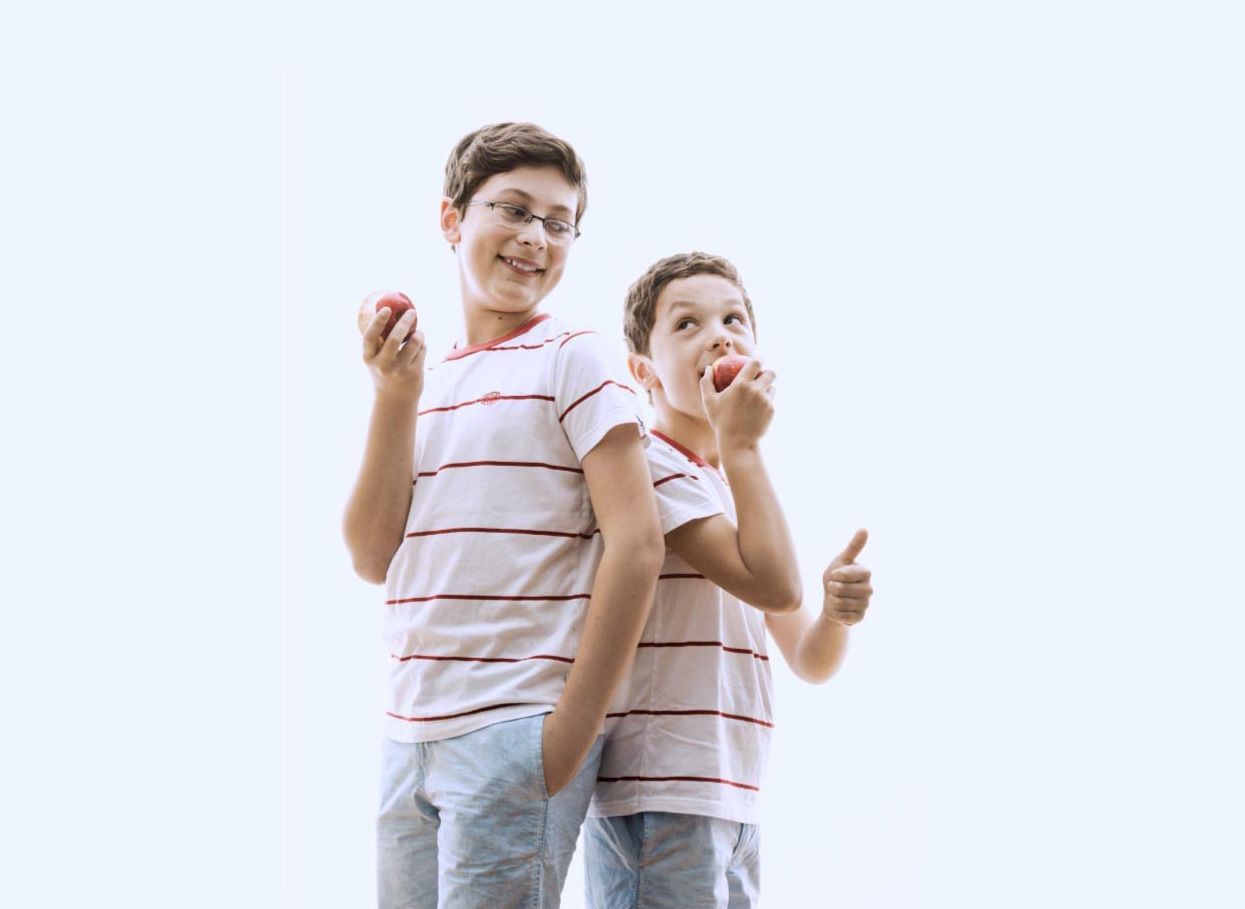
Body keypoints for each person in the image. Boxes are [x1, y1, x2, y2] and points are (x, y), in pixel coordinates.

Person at [342, 122, 665, 909]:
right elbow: (371, 553)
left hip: (516, 728)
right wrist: (393, 396)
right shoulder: (421, 375)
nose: (535, 238)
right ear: (452, 219)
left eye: (558, 223)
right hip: (407, 730)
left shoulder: (573, 357)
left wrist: (571, 727)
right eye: (513, 210)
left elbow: (638, 541)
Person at [583, 252, 875, 908]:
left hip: (728, 792)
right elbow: (774, 585)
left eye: (733, 318)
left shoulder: (732, 490)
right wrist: (741, 446)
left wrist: (834, 615)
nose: (718, 334)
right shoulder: (648, 465)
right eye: (686, 324)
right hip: (661, 791)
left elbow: (808, 656)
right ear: (643, 371)